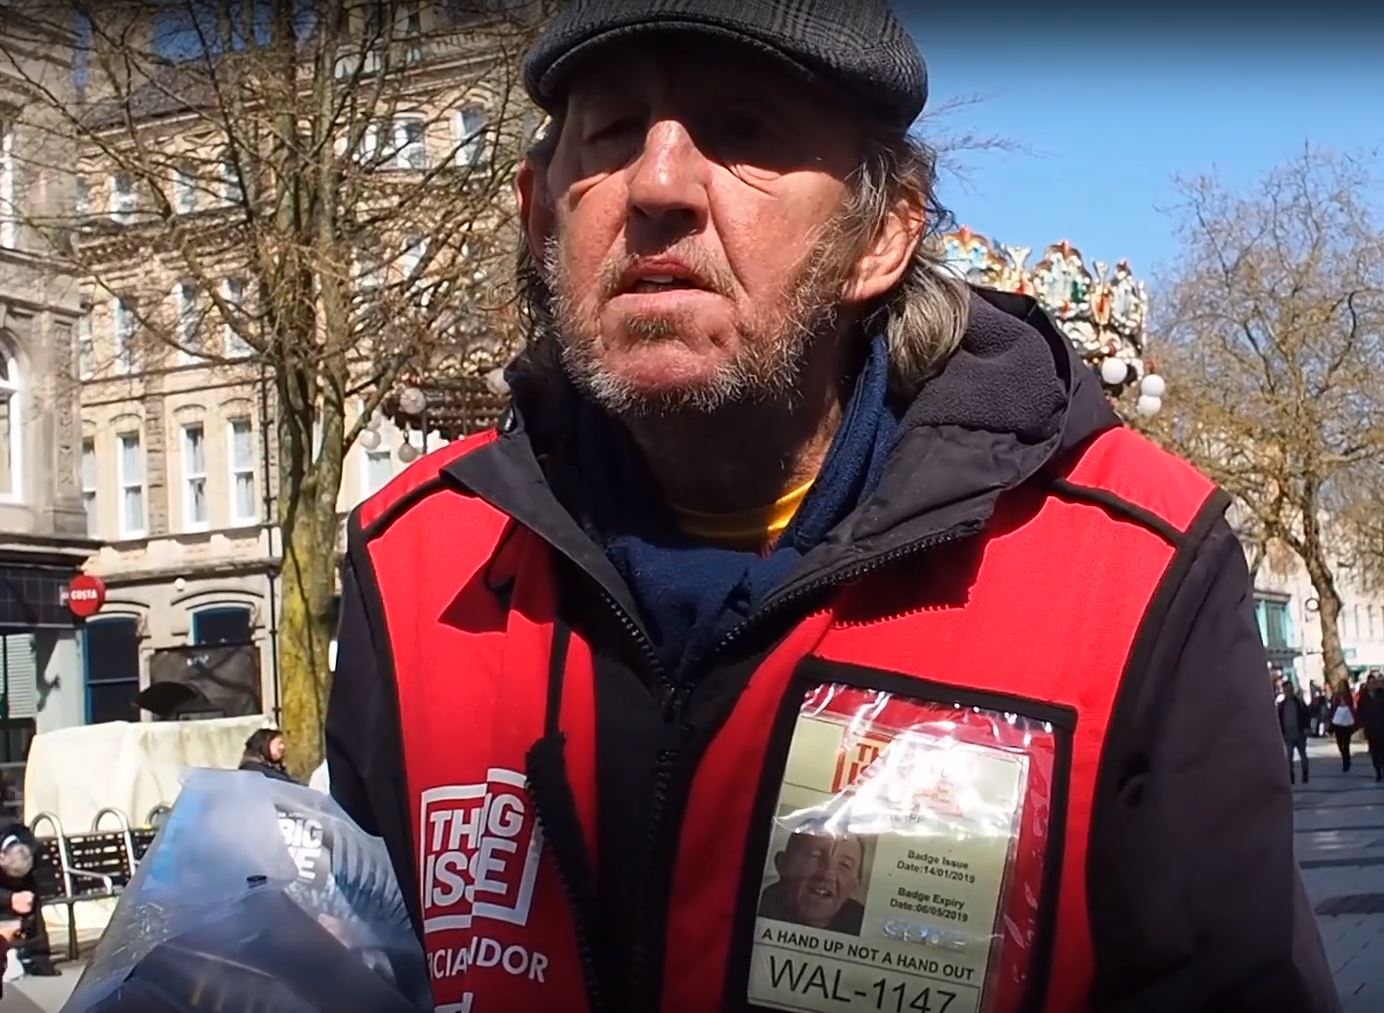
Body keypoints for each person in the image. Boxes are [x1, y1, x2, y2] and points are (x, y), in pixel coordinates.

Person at [325, 3, 1338, 1010]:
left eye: (742, 128)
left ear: (883, 231)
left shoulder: (1129, 571)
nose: (659, 182)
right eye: (612, 132)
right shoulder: (417, 563)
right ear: (542, 215)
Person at [757, 825, 867, 935]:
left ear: (856, 884)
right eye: (814, 856)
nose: (827, 875)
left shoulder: (863, 921)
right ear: (782, 864)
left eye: (845, 865)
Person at [0, 826, 57, 978]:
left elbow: (43, 879)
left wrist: (25, 897)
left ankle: (39, 958)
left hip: (28, 882)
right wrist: (10, 898)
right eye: (12, 875)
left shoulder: (31, 845)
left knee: (32, 902)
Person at [1280, 681, 1312, 784]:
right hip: (1288, 735)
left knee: (1303, 755)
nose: (1288, 692)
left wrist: (1307, 728)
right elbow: (1279, 720)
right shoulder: (1282, 706)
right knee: (1289, 758)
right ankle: (1291, 776)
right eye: (1286, 690)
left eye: (1290, 689)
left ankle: (1305, 774)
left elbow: (1307, 715)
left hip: (1300, 734)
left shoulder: (1299, 703)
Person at [1359, 674, 1384, 783]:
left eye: (1374, 682)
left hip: (1382, 727)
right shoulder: (1364, 697)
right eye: (1370, 683)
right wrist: (1361, 727)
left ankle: (1382, 767)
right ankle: (1378, 772)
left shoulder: (1382, 694)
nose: (1372, 685)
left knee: (1382, 752)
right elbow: (1360, 712)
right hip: (1371, 729)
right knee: (1374, 752)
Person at [1329, 680, 1358, 772]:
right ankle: (1345, 757)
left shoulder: (1348, 695)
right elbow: (1333, 707)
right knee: (1339, 743)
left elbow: (1352, 707)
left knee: (1346, 744)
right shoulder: (1336, 695)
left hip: (1346, 722)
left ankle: (1346, 761)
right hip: (1338, 722)